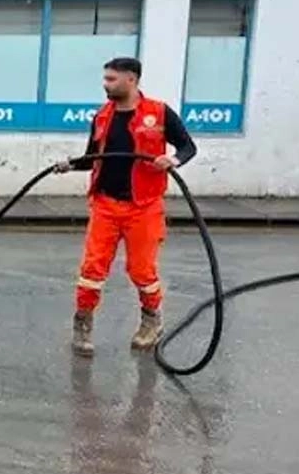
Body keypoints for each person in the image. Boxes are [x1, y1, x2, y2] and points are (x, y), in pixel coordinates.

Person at [53, 57, 197, 356]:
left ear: (131, 79)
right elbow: (94, 157)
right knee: (92, 269)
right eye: (105, 78)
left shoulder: (158, 113)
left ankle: (151, 321)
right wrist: (70, 165)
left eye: (111, 79)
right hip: (105, 205)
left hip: (143, 207)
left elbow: (188, 146)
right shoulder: (102, 115)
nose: (105, 84)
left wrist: (173, 160)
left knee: (142, 271)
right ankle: (82, 325)